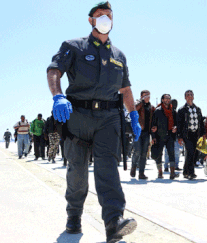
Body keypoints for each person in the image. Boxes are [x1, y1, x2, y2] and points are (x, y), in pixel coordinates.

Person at [46, 2, 140, 242]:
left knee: (108, 169)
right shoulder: (73, 46)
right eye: (100, 15)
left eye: (109, 15)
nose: (105, 18)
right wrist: (58, 96)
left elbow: (126, 89)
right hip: (77, 116)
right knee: (77, 171)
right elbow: (54, 70)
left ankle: (113, 223)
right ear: (91, 20)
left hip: (109, 118)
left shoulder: (119, 55)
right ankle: (74, 215)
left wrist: (134, 114)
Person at [177, 90, 205, 180]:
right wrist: (179, 136)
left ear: (193, 97)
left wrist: (203, 134)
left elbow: (201, 122)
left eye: (191, 95)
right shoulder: (182, 110)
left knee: (194, 153)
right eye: (188, 95)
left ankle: (185, 172)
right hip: (187, 134)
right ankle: (191, 173)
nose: (190, 96)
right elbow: (179, 124)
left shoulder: (198, 109)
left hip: (196, 134)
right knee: (190, 152)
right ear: (185, 97)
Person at [151, 94, 179, 180]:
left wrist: (176, 128)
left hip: (170, 135)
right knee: (159, 154)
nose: (167, 100)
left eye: (169, 98)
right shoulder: (158, 110)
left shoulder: (173, 111)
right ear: (162, 100)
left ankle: (172, 173)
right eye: (166, 98)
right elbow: (153, 125)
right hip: (160, 135)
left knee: (172, 154)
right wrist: (153, 137)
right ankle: (160, 172)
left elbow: (176, 123)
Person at [130, 90, 155, 179]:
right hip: (137, 131)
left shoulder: (151, 107)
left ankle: (141, 173)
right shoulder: (138, 103)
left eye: (148, 95)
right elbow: (134, 108)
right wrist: (141, 101)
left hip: (146, 133)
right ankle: (133, 166)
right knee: (137, 151)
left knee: (144, 153)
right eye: (145, 95)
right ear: (141, 96)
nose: (147, 97)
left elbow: (153, 120)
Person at [164, 99, 181, 171]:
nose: (174, 105)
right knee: (167, 152)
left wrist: (176, 128)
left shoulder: (177, 114)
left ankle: (176, 166)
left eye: (176, 104)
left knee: (177, 151)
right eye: (173, 103)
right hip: (167, 135)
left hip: (175, 136)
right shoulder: (166, 112)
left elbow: (179, 124)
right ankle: (166, 166)